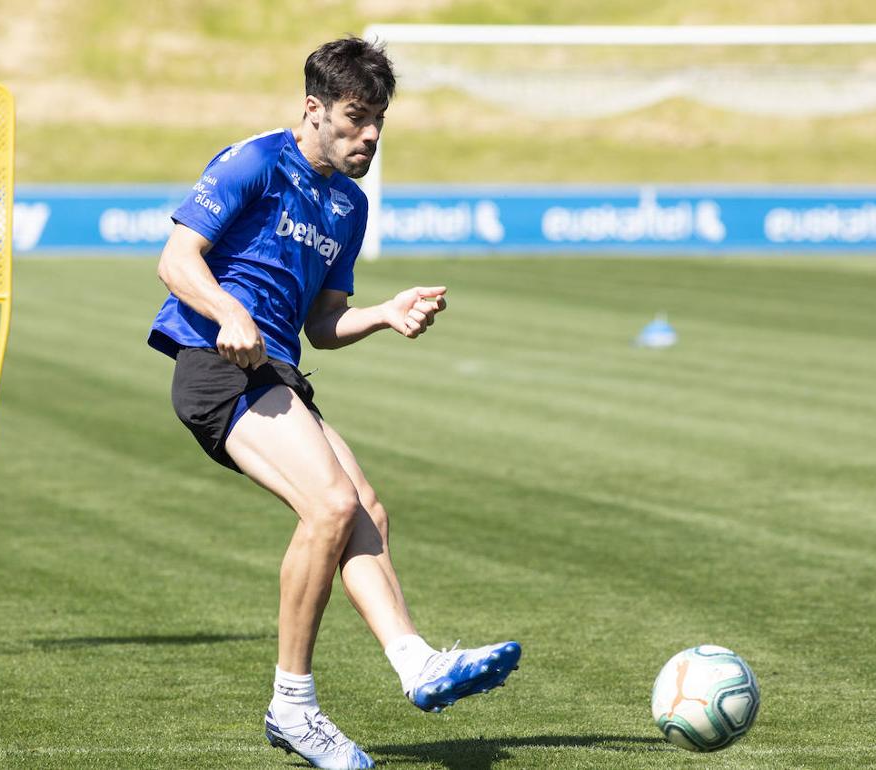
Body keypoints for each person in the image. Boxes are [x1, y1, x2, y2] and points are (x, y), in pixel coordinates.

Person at [148, 37, 521, 770]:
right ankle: (293, 706)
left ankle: (416, 664)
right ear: (314, 110)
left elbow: (322, 324)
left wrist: (384, 312)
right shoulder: (254, 160)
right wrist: (227, 312)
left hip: (275, 371)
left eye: (379, 119)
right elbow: (175, 259)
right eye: (357, 118)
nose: (372, 135)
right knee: (328, 506)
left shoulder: (349, 206)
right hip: (212, 365)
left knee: (364, 507)